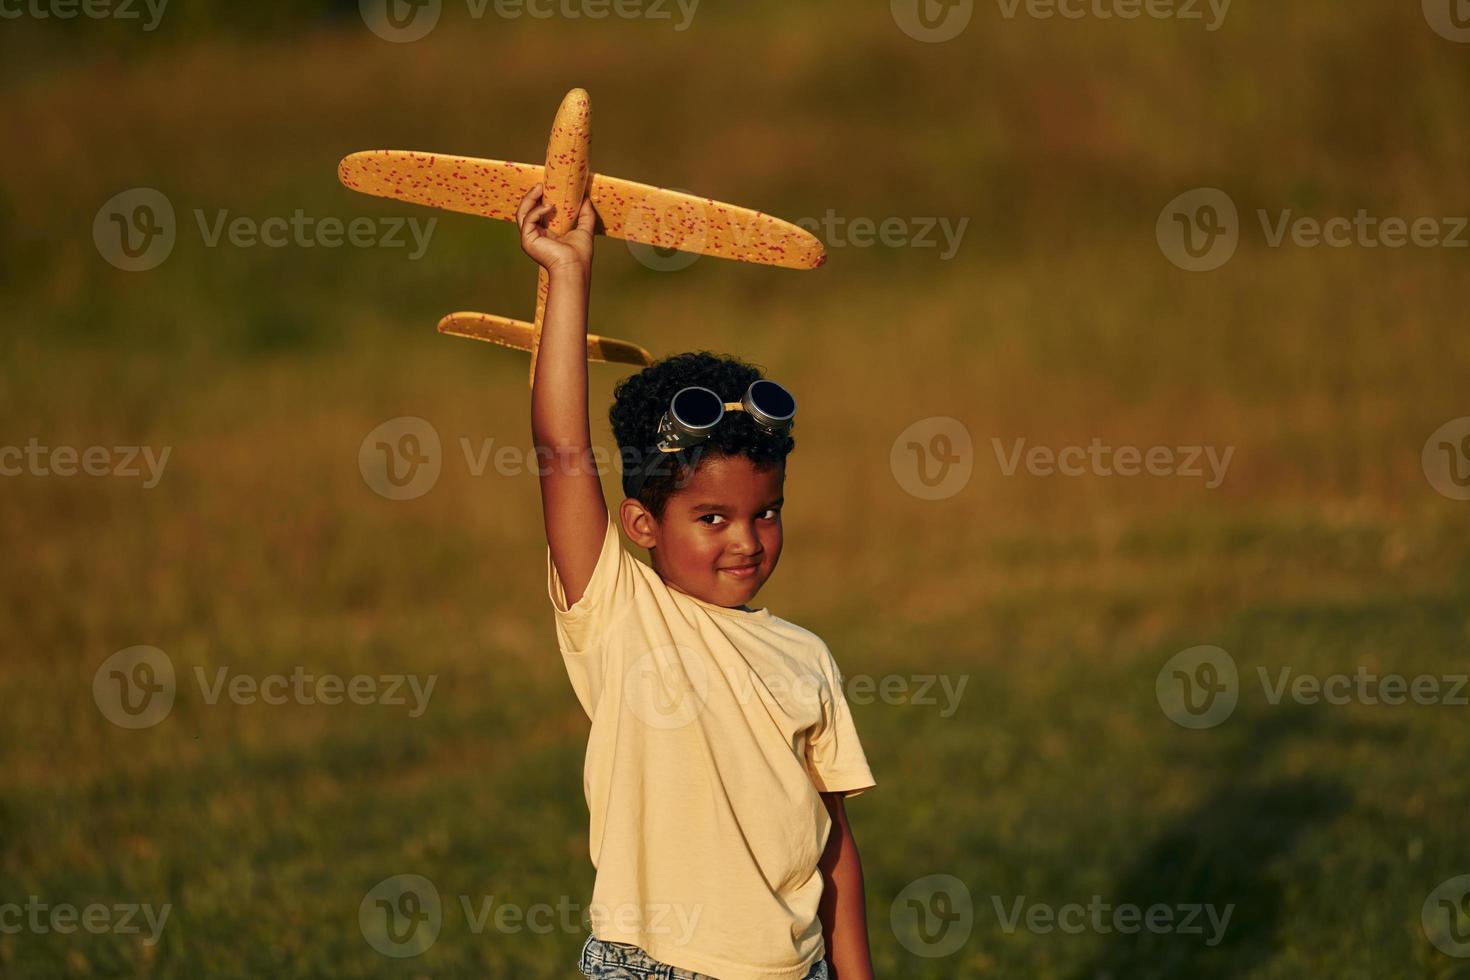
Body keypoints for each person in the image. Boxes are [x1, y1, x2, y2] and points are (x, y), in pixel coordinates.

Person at [519, 182, 878, 980]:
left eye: (767, 512)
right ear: (643, 526)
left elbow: (836, 854)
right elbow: (561, 449)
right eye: (712, 519)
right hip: (655, 966)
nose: (747, 542)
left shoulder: (806, 657)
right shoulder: (620, 612)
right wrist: (569, 273)